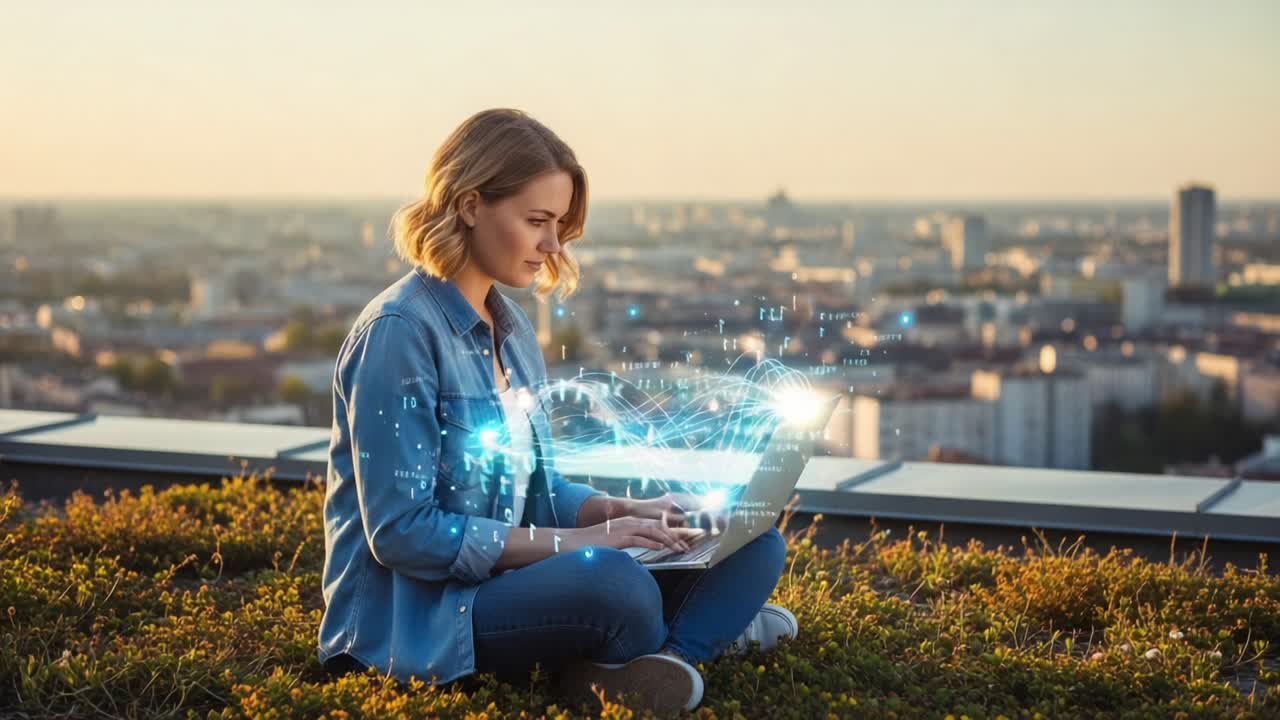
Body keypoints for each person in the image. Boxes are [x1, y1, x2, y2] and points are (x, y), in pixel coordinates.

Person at [317, 108, 797, 715]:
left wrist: (623, 510)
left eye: (559, 225)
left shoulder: (510, 328)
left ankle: (661, 662)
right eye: (537, 221)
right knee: (612, 581)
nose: (553, 246)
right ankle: (696, 639)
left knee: (750, 541)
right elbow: (402, 534)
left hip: (509, 584)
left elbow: (534, 494)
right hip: (421, 620)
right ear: (469, 205)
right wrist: (582, 543)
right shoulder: (398, 334)